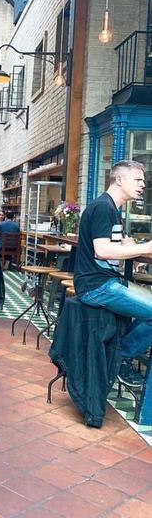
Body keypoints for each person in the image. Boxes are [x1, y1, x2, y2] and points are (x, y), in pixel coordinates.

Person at [74, 159, 152, 388]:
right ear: (118, 179)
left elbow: (117, 244)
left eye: (143, 181)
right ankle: (120, 358)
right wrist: (145, 247)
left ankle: (118, 352)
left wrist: (132, 248)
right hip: (96, 286)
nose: (142, 185)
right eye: (137, 180)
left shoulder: (110, 208)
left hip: (105, 281)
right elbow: (102, 250)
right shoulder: (103, 208)